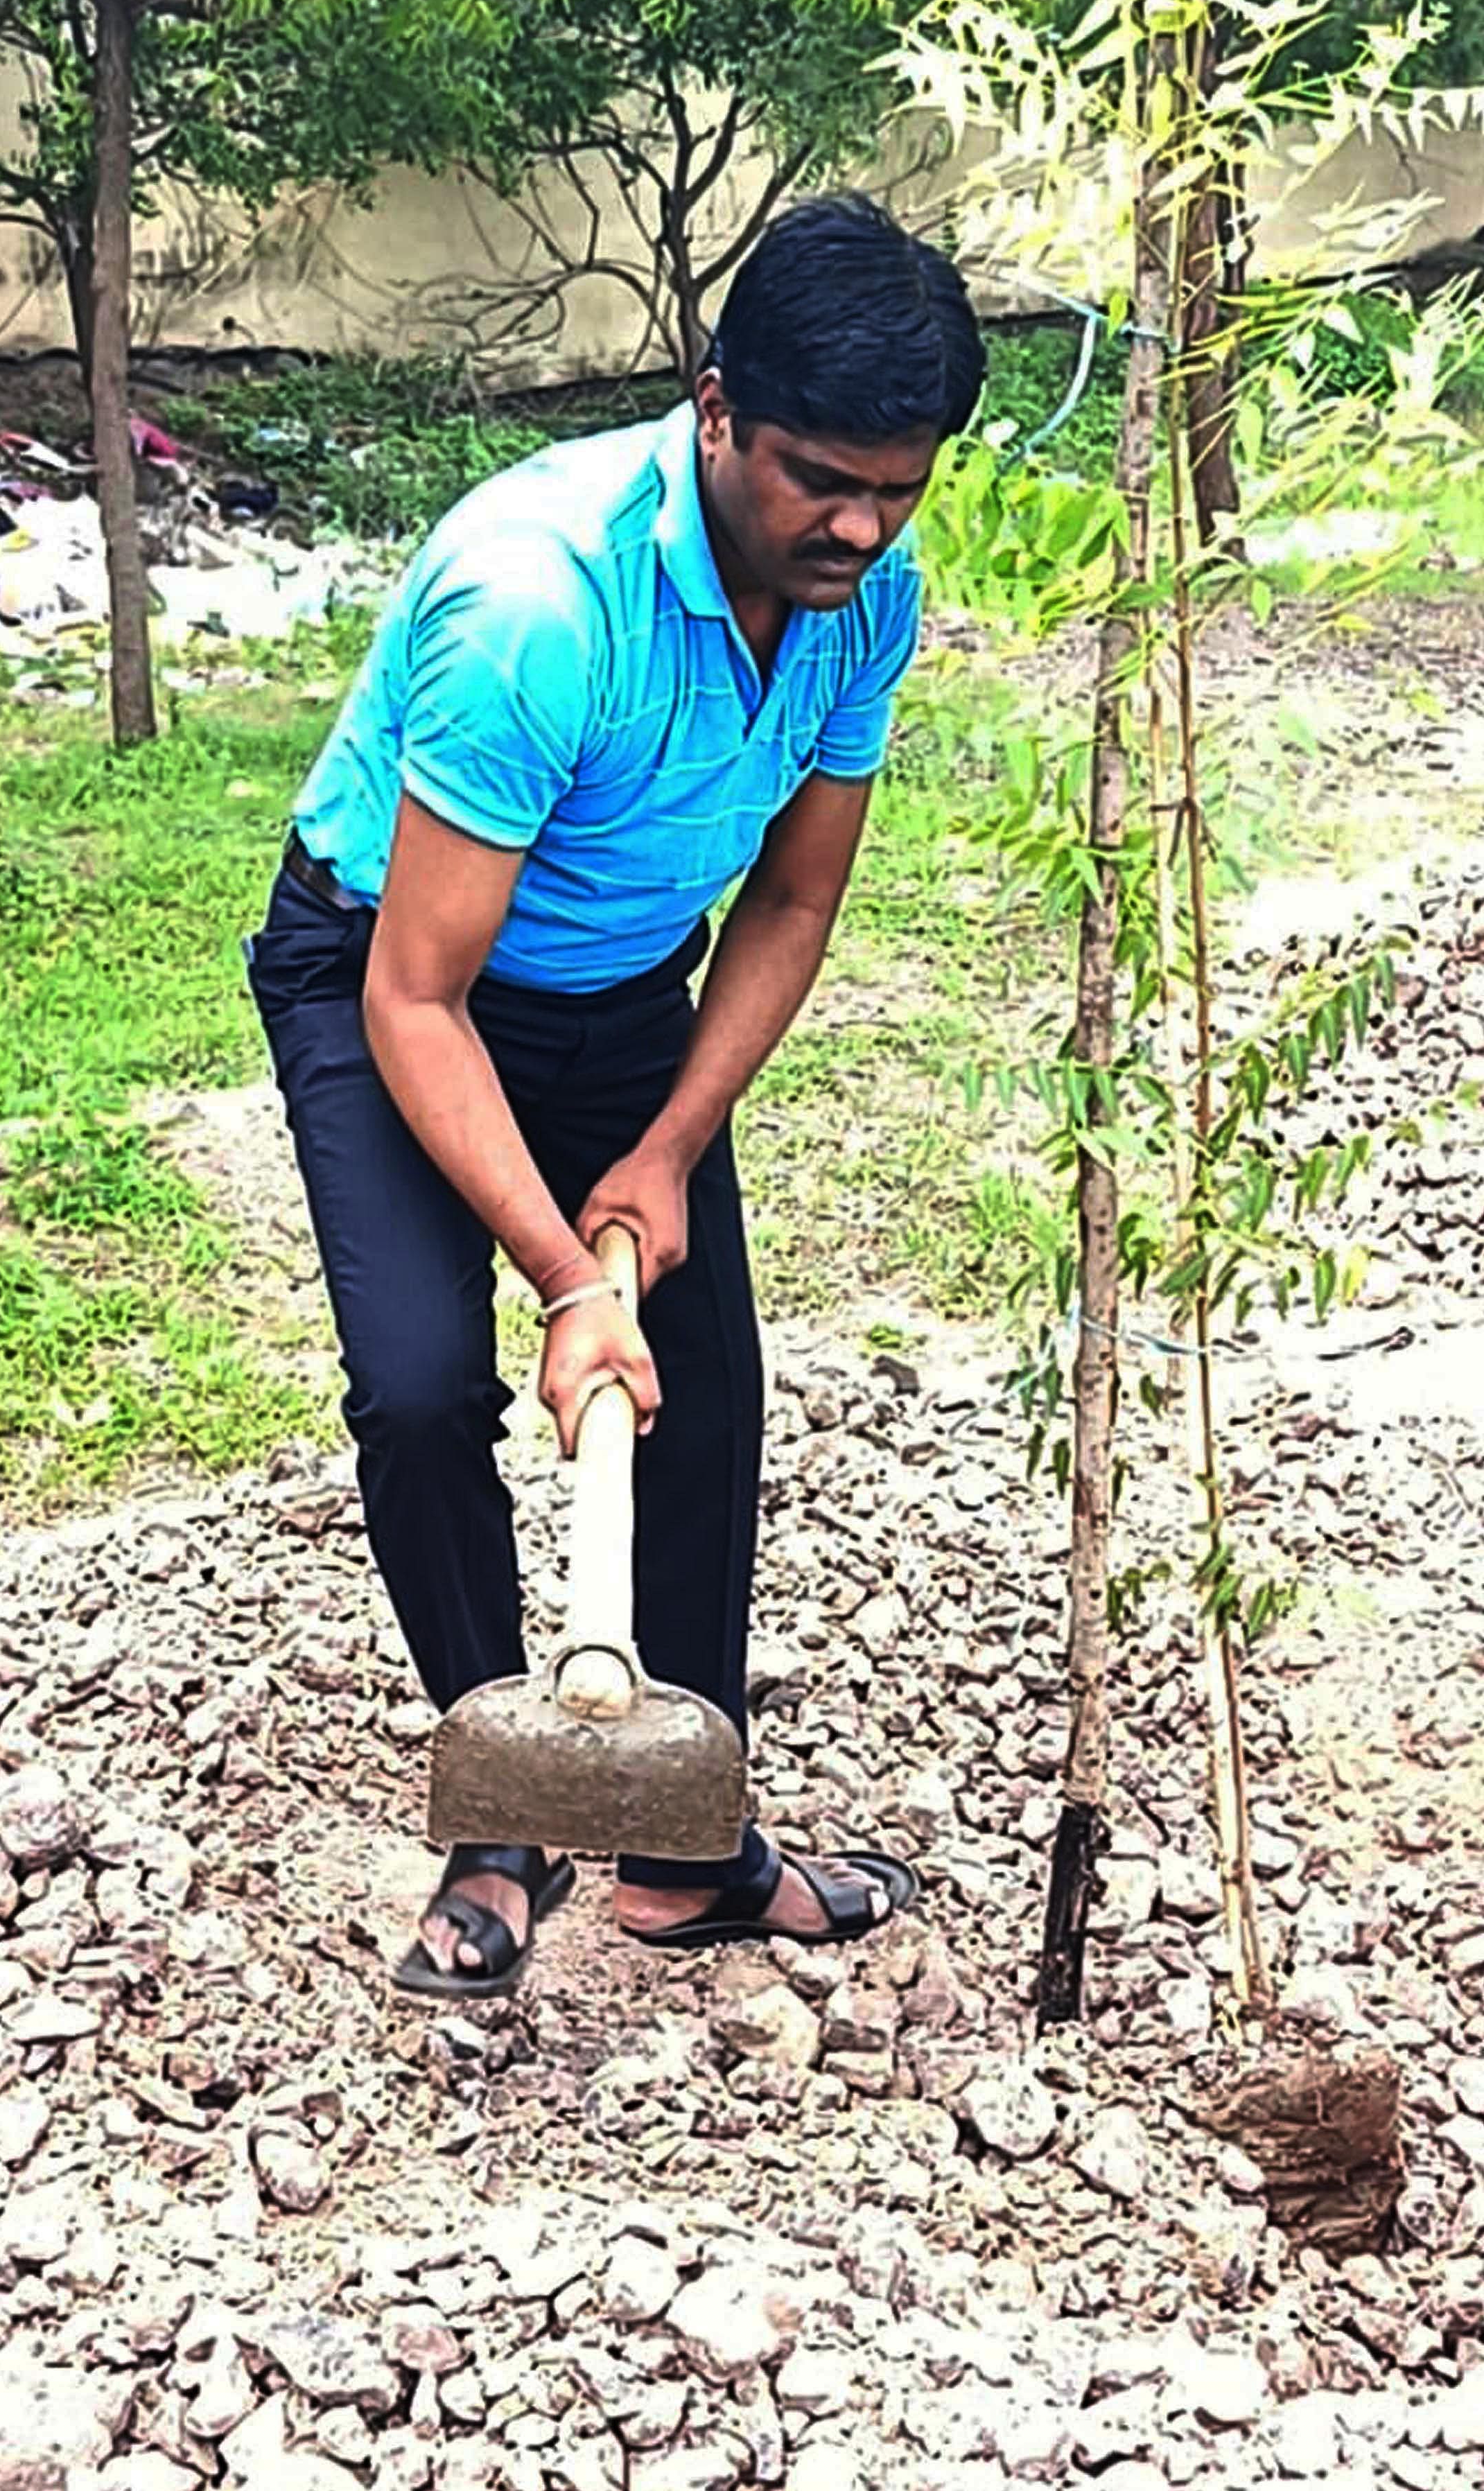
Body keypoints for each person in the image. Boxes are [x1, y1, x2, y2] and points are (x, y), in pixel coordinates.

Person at [246, 192, 985, 2007]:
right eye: (825, 476)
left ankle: (680, 1851)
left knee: (706, 1381)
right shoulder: (535, 604)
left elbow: (794, 899)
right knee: (424, 1389)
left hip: (625, 999)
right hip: (394, 983)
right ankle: (500, 1816)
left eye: (903, 485)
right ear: (716, 406)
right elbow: (415, 994)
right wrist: (569, 1279)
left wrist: (659, 1159)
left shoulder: (861, 594)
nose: (864, 525)